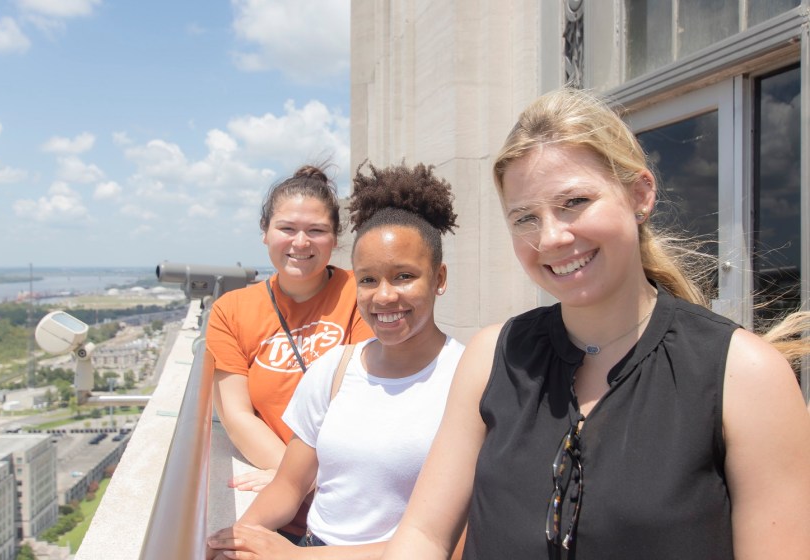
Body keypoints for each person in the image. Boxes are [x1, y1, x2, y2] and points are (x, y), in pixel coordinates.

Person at [381, 88, 810, 559]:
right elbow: (423, 536)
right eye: (525, 218)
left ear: (640, 195)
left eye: (575, 201)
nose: (550, 238)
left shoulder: (743, 375)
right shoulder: (493, 358)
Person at [207, 162, 465, 559]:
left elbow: (447, 540)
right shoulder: (335, 368)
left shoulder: (467, 378)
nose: (384, 296)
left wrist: (294, 557)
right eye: (368, 279)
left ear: (439, 279)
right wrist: (239, 538)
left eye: (404, 276)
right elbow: (289, 484)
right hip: (312, 541)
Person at [206, 164, 373, 542]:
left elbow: (368, 400)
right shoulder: (231, 311)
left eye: (316, 231)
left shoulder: (362, 293)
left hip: (357, 509)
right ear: (265, 232)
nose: (301, 243)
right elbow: (236, 414)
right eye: (287, 229)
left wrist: (297, 479)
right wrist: (293, 477)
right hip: (285, 514)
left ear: (335, 238)